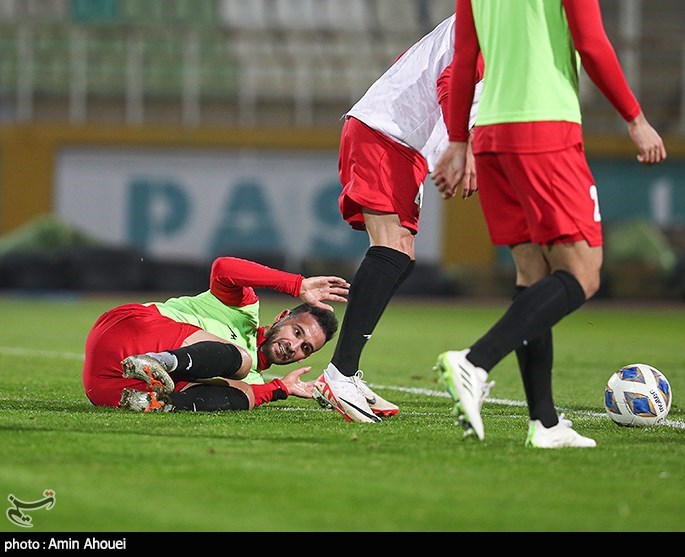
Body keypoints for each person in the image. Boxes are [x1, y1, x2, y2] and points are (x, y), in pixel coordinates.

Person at [431, 0, 667, 447]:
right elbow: (592, 45)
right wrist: (635, 119)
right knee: (583, 274)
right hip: (544, 131)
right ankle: (474, 362)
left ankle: (545, 422)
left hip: (491, 136)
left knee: (533, 273)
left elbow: (464, 59)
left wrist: (460, 141)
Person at [311, 13, 484, 423]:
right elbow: (452, 81)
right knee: (390, 247)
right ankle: (339, 374)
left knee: (400, 254)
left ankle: (345, 370)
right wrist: (462, 147)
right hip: (387, 134)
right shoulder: (490, 21)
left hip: (398, 139)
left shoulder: (483, 17)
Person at [82, 256, 348, 413]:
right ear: (281, 317)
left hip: (107, 387)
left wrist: (282, 388)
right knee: (241, 363)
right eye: (297, 331)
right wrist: (296, 284)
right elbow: (223, 267)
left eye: (306, 348)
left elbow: (246, 393)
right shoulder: (243, 309)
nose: (295, 346)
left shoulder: (254, 378)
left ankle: (161, 402)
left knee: (244, 393)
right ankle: (159, 361)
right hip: (125, 329)